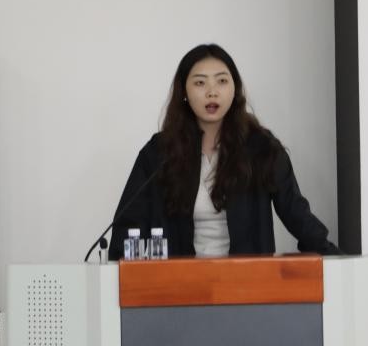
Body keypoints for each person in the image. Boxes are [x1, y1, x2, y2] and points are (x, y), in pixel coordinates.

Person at [108, 43, 340, 260]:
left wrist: (338, 261)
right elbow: (128, 228)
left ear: (234, 89)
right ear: (184, 92)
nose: (212, 92)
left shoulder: (261, 148)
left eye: (221, 81)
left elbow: (297, 215)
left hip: (246, 283)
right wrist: (118, 271)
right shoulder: (160, 153)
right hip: (178, 284)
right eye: (200, 83)